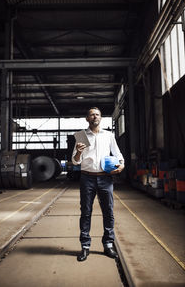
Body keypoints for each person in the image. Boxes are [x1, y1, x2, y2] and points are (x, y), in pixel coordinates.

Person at [72, 107, 125, 262]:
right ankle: (85, 246)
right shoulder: (81, 137)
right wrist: (79, 152)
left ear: (101, 118)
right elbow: (75, 161)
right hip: (87, 178)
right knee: (86, 212)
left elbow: (118, 154)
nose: (94, 116)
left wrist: (121, 165)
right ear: (87, 119)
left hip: (105, 179)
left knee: (108, 212)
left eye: (97, 114)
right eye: (91, 115)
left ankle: (108, 244)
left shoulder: (108, 136)